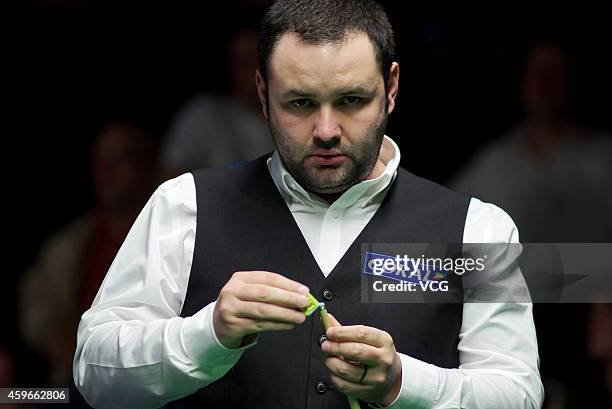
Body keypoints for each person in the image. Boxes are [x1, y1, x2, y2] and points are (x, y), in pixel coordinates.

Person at [73, 1, 544, 408]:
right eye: (299, 103)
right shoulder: (186, 204)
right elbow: (94, 373)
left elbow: (517, 393)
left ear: (392, 88)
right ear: (262, 94)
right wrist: (208, 333)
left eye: (352, 100)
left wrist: (402, 382)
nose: (325, 130)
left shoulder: (477, 228)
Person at [21, 122, 158, 387]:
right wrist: (52, 337)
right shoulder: (70, 244)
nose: (106, 173)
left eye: (118, 161)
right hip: (70, 388)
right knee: (10, 397)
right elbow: (35, 298)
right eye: (100, 162)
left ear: (148, 166)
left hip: (140, 389)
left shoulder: (167, 233)